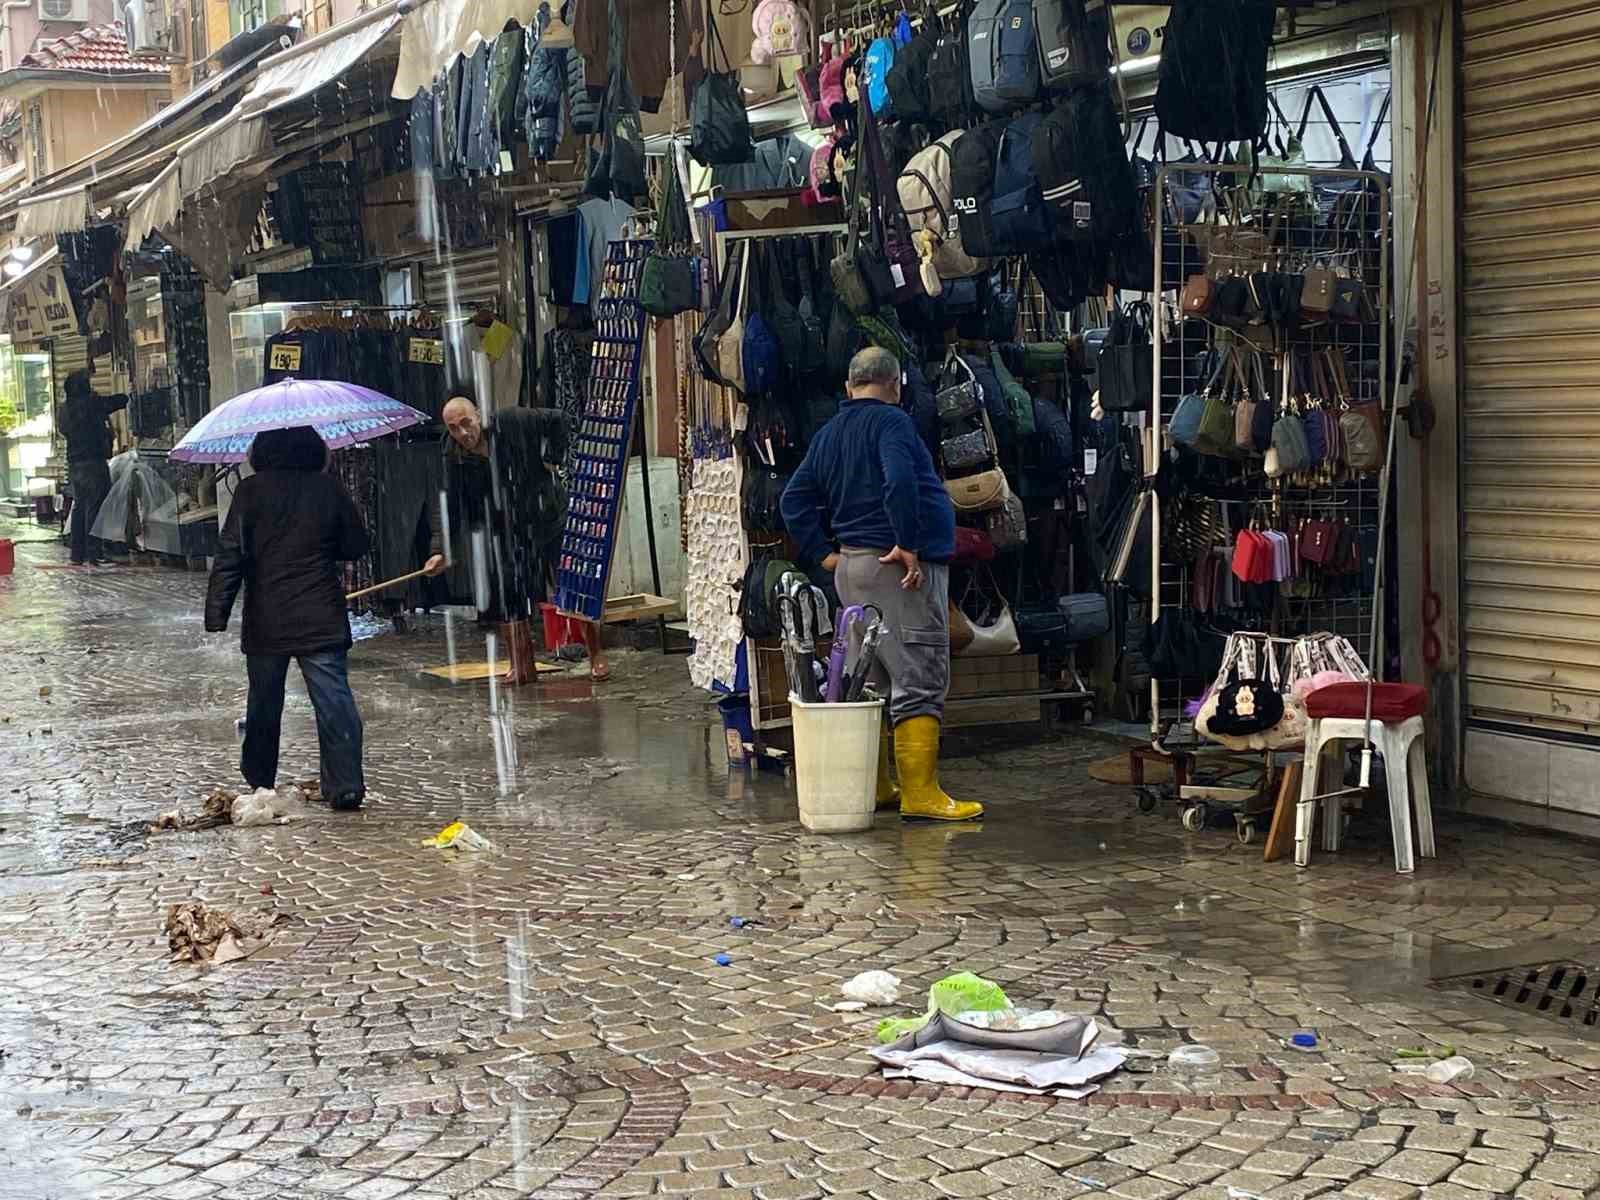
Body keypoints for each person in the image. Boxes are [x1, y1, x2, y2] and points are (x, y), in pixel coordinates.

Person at [780, 346, 982, 822]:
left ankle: (879, 788)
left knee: (870, 680)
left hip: (853, 568)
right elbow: (899, 481)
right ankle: (921, 794)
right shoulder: (893, 423)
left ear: (849, 386)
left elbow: (794, 498)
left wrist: (822, 553)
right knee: (918, 673)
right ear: (895, 385)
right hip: (896, 568)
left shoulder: (830, 433)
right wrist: (908, 543)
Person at [204, 426, 371, 811]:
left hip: (268, 617)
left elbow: (230, 555)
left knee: (264, 702)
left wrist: (218, 614)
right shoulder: (328, 488)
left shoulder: (249, 492)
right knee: (334, 701)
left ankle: (260, 779)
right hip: (321, 614)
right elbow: (355, 546)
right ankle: (345, 786)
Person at [422, 391, 603, 681]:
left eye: (466, 422)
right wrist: (439, 549)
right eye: (454, 428)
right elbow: (448, 505)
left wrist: (552, 458)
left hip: (547, 516)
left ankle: (596, 655)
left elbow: (560, 419)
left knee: (571, 586)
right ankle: (523, 665)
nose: (463, 432)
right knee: (509, 594)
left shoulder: (511, 420)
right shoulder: (452, 455)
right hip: (508, 529)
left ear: (479, 415)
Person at [59, 369, 129, 565]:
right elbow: (118, 401)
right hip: (94, 463)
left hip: (75, 465)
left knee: (80, 507)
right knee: (96, 508)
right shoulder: (90, 404)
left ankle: (77, 554)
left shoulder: (64, 410)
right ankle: (94, 553)